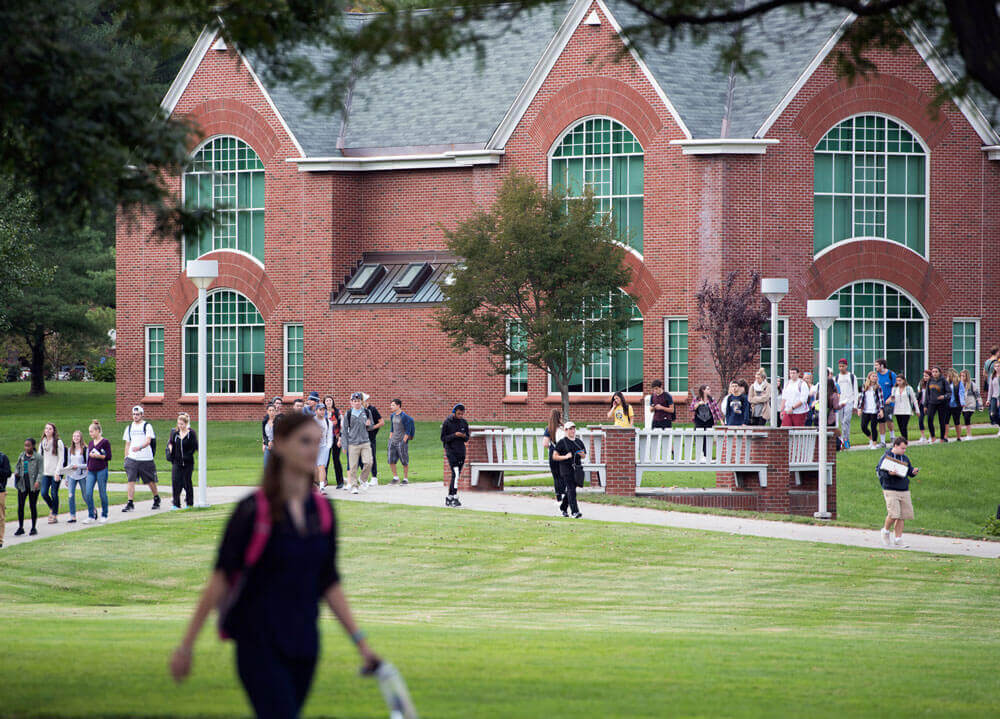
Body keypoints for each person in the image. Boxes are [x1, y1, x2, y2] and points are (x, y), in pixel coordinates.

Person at [169, 412, 380, 718]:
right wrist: (186, 646)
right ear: (279, 444)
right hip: (258, 642)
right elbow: (220, 580)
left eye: (317, 442)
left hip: (305, 643)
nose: (312, 449)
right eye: (304, 441)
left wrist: (361, 643)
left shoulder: (321, 512)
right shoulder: (251, 511)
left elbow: (329, 582)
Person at [877, 437, 919, 548]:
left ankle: (898, 539)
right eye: (902, 448)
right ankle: (885, 531)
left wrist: (913, 472)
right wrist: (890, 474)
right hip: (890, 488)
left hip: (903, 489)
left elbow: (908, 471)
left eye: (905, 449)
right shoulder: (886, 458)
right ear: (895, 446)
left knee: (902, 515)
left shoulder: (904, 458)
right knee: (894, 514)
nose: (904, 451)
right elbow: (880, 473)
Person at [122, 405, 161, 512]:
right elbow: (127, 443)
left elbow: (148, 441)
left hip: (145, 459)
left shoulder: (147, 426)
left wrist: (139, 448)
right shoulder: (129, 427)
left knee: (150, 481)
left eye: (138, 414)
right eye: (134, 414)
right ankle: (130, 503)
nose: (135, 416)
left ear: (142, 415)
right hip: (132, 459)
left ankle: (156, 498)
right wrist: (126, 457)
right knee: (131, 480)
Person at [339, 392, 373, 495]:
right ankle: (354, 486)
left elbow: (371, 426)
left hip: (365, 442)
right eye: (354, 401)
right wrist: (344, 445)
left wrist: (369, 424)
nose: (356, 403)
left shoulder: (367, 412)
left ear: (361, 401)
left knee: (369, 462)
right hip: (352, 443)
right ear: (351, 402)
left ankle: (363, 479)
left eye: (358, 401)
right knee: (353, 466)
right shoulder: (348, 414)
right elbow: (344, 430)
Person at [552, 421, 586, 519]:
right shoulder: (562, 442)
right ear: (565, 430)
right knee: (571, 489)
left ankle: (563, 507)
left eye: (573, 428)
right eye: (570, 429)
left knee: (571, 490)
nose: (572, 431)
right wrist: (565, 457)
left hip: (577, 469)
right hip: (565, 469)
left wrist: (581, 454)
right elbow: (555, 456)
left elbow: (584, 455)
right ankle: (575, 512)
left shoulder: (578, 442)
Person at [167, 413, 198, 509]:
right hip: (177, 462)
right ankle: (176, 504)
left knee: (187, 482)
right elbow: (171, 443)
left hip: (188, 463)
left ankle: (189, 503)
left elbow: (195, 447)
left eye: (182, 424)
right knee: (176, 482)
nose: (180, 426)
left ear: (186, 424)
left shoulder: (191, 434)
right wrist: (171, 450)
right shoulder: (175, 433)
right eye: (179, 424)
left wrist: (188, 455)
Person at [441, 403, 470, 507]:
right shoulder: (447, 422)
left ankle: (449, 497)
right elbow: (443, 438)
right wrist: (454, 435)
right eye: (458, 413)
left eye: (462, 414)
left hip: (461, 451)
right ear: (454, 412)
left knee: (456, 475)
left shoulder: (464, 423)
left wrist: (463, 435)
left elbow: (467, 438)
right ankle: (454, 496)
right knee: (456, 473)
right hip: (451, 451)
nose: (460, 416)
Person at [39, 422, 66, 524]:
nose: (47, 430)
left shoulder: (58, 442)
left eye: (50, 429)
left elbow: (61, 458)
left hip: (55, 472)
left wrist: (57, 472)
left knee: (54, 493)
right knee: (44, 493)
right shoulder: (43, 442)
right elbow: (39, 457)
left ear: (53, 431)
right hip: (45, 472)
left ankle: (54, 515)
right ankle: (53, 507)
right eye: (46, 429)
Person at [14, 438, 42, 536]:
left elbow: (40, 471)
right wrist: (17, 473)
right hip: (23, 485)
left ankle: (33, 527)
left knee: (32, 505)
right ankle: (20, 527)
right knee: (20, 506)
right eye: (25, 445)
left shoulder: (38, 457)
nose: (26, 448)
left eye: (28, 445)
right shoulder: (22, 456)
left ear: (33, 446)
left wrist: (38, 481)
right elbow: (17, 466)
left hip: (33, 485)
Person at [85, 420, 111, 523]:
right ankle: (91, 515)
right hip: (91, 470)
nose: (90, 434)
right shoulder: (91, 443)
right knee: (88, 493)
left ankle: (104, 514)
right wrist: (88, 466)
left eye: (91, 431)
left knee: (102, 493)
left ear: (97, 431)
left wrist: (98, 456)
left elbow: (108, 456)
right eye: (89, 432)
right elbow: (88, 457)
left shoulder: (105, 442)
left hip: (101, 470)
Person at [387, 399, 415, 485]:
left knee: (404, 460)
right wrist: (390, 439)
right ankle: (395, 477)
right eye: (391, 405)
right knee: (391, 460)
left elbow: (408, 430)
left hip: (401, 441)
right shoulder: (392, 416)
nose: (391, 407)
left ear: (398, 406)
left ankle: (405, 479)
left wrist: (404, 441)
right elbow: (392, 428)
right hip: (393, 441)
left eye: (393, 405)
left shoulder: (404, 417)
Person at [64, 430, 89, 523]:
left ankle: (93, 510)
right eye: (74, 436)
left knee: (85, 495)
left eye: (77, 436)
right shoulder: (70, 449)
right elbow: (68, 464)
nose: (76, 438)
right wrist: (66, 478)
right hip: (72, 476)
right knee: (71, 495)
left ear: (81, 438)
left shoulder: (85, 449)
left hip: (82, 475)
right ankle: (72, 516)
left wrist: (78, 466)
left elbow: (88, 465)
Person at [856, 371, 885, 449]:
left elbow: (881, 399)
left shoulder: (878, 387)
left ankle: (874, 444)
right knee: (863, 426)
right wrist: (859, 408)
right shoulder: (864, 386)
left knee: (873, 427)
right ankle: (871, 439)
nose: (874, 378)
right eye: (873, 376)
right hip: (866, 410)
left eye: (876, 376)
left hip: (875, 410)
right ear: (869, 377)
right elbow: (861, 398)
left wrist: (881, 410)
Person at [542, 409, 565, 503]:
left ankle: (559, 497)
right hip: (563, 454)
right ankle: (565, 494)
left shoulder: (549, 429)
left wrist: (551, 447)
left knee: (556, 476)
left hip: (553, 453)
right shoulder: (563, 428)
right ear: (559, 417)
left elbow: (545, 443)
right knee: (563, 475)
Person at [834, 359, 858, 448]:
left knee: (846, 421)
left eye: (843, 366)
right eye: (840, 366)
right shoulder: (837, 377)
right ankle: (842, 440)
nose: (841, 368)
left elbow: (855, 390)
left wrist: (855, 405)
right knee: (841, 422)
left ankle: (846, 440)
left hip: (849, 401)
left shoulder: (851, 376)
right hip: (840, 402)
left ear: (846, 366)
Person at [874, 359, 898, 445]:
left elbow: (896, 387)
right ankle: (882, 441)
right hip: (879, 402)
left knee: (888, 419)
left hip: (889, 402)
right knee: (881, 420)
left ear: (882, 365)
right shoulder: (876, 375)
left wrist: (891, 398)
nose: (875, 367)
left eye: (877, 365)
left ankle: (892, 437)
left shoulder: (891, 375)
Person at [888, 376, 918, 443]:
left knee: (904, 426)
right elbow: (893, 400)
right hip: (897, 410)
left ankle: (905, 440)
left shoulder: (909, 388)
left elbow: (914, 399)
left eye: (900, 380)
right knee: (900, 427)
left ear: (904, 380)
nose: (898, 382)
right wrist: (891, 399)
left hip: (906, 410)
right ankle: (904, 440)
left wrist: (917, 410)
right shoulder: (894, 389)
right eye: (897, 381)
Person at [924, 366, 950, 443]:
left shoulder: (943, 381)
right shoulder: (930, 381)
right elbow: (927, 393)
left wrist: (944, 396)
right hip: (932, 403)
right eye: (933, 372)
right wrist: (925, 405)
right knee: (929, 419)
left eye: (936, 372)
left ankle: (942, 438)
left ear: (939, 372)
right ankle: (932, 437)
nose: (934, 373)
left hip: (942, 404)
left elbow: (949, 393)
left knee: (942, 421)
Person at [362, 394, 384, 486]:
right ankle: (363, 478)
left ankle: (374, 478)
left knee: (371, 457)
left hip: (370, 437)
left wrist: (372, 428)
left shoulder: (372, 409)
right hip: (360, 437)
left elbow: (382, 422)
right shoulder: (358, 410)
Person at [323, 396, 344, 490]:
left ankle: (340, 482)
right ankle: (323, 481)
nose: (328, 402)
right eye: (326, 400)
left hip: (336, 438)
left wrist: (340, 438)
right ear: (324, 402)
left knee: (336, 460)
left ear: (333, 402)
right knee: (325, 461)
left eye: (330, 400)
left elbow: (342, 425)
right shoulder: (322, 412)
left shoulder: (337, 412)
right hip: (325, 440)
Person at [314, 404, 333, 492]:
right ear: (316, 411)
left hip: (323, 447)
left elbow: (329, 436)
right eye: (320, 410)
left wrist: (328, 447)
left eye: (323, 410)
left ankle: (322, 486)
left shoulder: (328, 422)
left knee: (321, 466)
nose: (322, 411)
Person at [958, 369, 981, 440]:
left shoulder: (971, 384)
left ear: (967, 377)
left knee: (967, 418)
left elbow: (977, 395)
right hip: (963, 405)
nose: (962, 377)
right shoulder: (959, 385)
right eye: (961, 376)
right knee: (965, 418)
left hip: (971, 404)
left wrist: (980, 404)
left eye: (963, 376)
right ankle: (967, 435)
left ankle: (969, 435)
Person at [946, 368, 963, 442]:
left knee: (957, 421)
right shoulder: (947, 383)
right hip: (947, 405)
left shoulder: (959, 383)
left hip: (956, 405)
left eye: (950, 375)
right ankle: (945, 437)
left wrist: (962, 402)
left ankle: (958, 437)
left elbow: (961, 393)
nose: (949, 377)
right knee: (946, 421)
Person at [915, 370, 931, 443]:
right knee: (921, 420)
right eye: (924, 376)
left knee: (930, 420)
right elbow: (918, 393)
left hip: (930, 404)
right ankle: (923, 436)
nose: (925, 377)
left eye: (926, 376)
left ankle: (931, 436)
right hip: (921, 404)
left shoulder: (932, 383)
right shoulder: (921, 383)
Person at [0, 447, 11, 548]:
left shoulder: (3, 458)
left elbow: (8, 473)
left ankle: (0, 540)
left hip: (0, 490)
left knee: (0, 516)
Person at [987, 363, 1000, 436]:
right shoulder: (992, 376)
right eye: (996, 366)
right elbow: (990, 389)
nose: (997, 368)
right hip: (994, 397)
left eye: (998, 366)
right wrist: (988, 399)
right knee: (992, 414)